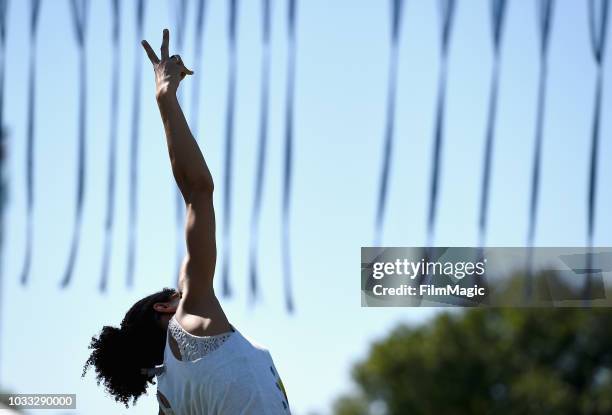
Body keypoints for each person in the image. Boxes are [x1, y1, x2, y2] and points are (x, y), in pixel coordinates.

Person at [83, 29, 290, 415]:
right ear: (165, 309)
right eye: (172, 293)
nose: (180, 292)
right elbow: (199, 191)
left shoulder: (170, 395)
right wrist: (166, 99)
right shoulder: (191, 317)